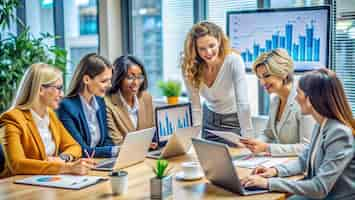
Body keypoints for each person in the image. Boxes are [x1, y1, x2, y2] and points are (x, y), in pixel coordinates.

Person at [241, 68, 355, 200]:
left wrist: (268, 183)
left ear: (311, 99)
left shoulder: (339, 133)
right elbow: (304, 160)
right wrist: (275, 171)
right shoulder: (321, 124)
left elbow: (320, 187)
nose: (295, 98)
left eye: (299, 93)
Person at [0, 63, 95, 177]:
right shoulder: (12, 118)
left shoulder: (50, 115)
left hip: (47, 181)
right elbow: (17, 164)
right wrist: (67, 167)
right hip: (18, 187)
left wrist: (62, 158)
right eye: (58, 88)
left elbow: (75, 146)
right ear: (40, 89)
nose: (62, 94)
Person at [181, 21, 253, 145]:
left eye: (212, 45)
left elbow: (243, 103)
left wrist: (249, 138)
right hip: (208, 120)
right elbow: (195, 105)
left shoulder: (233, 61)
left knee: (236, 161)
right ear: (195, 49)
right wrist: (195, 138)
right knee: (208, 160)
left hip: (233, 122)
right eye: (202, 49)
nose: (208, 52)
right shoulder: (190, 65)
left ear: (219, 40)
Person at [240, 48, 314, 156]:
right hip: (281, 163)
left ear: (283, 73)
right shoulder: (276, 100)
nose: (262, 82)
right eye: (259, 78)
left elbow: (306, 147)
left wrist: (267, 148)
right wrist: (255, 143)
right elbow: (268, 134)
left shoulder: (304, 101)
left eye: (266, 76)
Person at [57, 53, 118, 158]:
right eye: (104, 81)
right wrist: (115, 150)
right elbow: (81, 149)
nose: (109, 85)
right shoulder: (66, 107)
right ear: (86, 79)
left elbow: (106, 139)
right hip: (79, 165)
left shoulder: (100, 102)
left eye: (110, 80)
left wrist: (115, 150)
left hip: (98, 162)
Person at [105, 55, 154, 145]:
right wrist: (143, 144)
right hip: (123, 156)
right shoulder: (107, 103)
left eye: (139, 77)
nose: (136, 83)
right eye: (130, 78)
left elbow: (152, 132)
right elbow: (116, 141)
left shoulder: (146, 98)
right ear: (118, 78)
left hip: (148, 154)